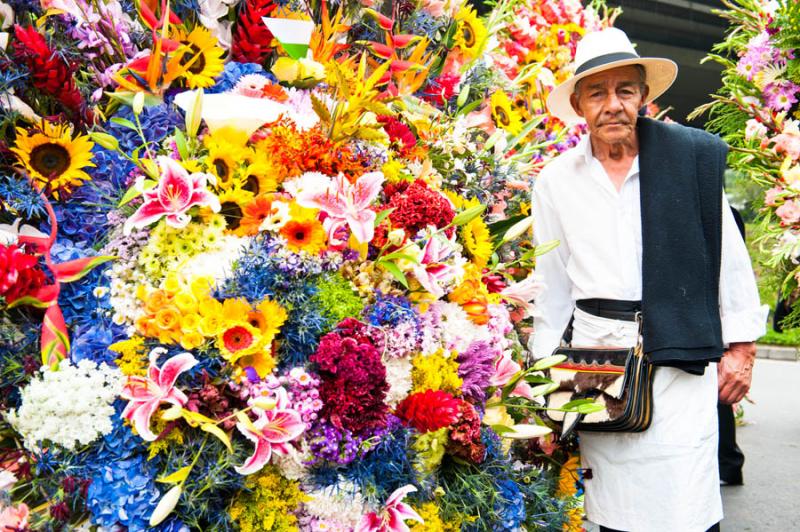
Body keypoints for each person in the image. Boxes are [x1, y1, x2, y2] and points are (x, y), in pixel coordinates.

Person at [531, 28, 767, 532]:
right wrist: (542, 378)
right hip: (596, 363)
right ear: (578, 104)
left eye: (625, 91)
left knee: (685, 499)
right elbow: (550, 287)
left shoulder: (687, 162)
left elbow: (728, 258)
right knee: (613, 503)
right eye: (597, 92)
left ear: (644, 96)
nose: (612, 104)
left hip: (678, 353)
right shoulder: (554, 180)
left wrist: (741, 349)